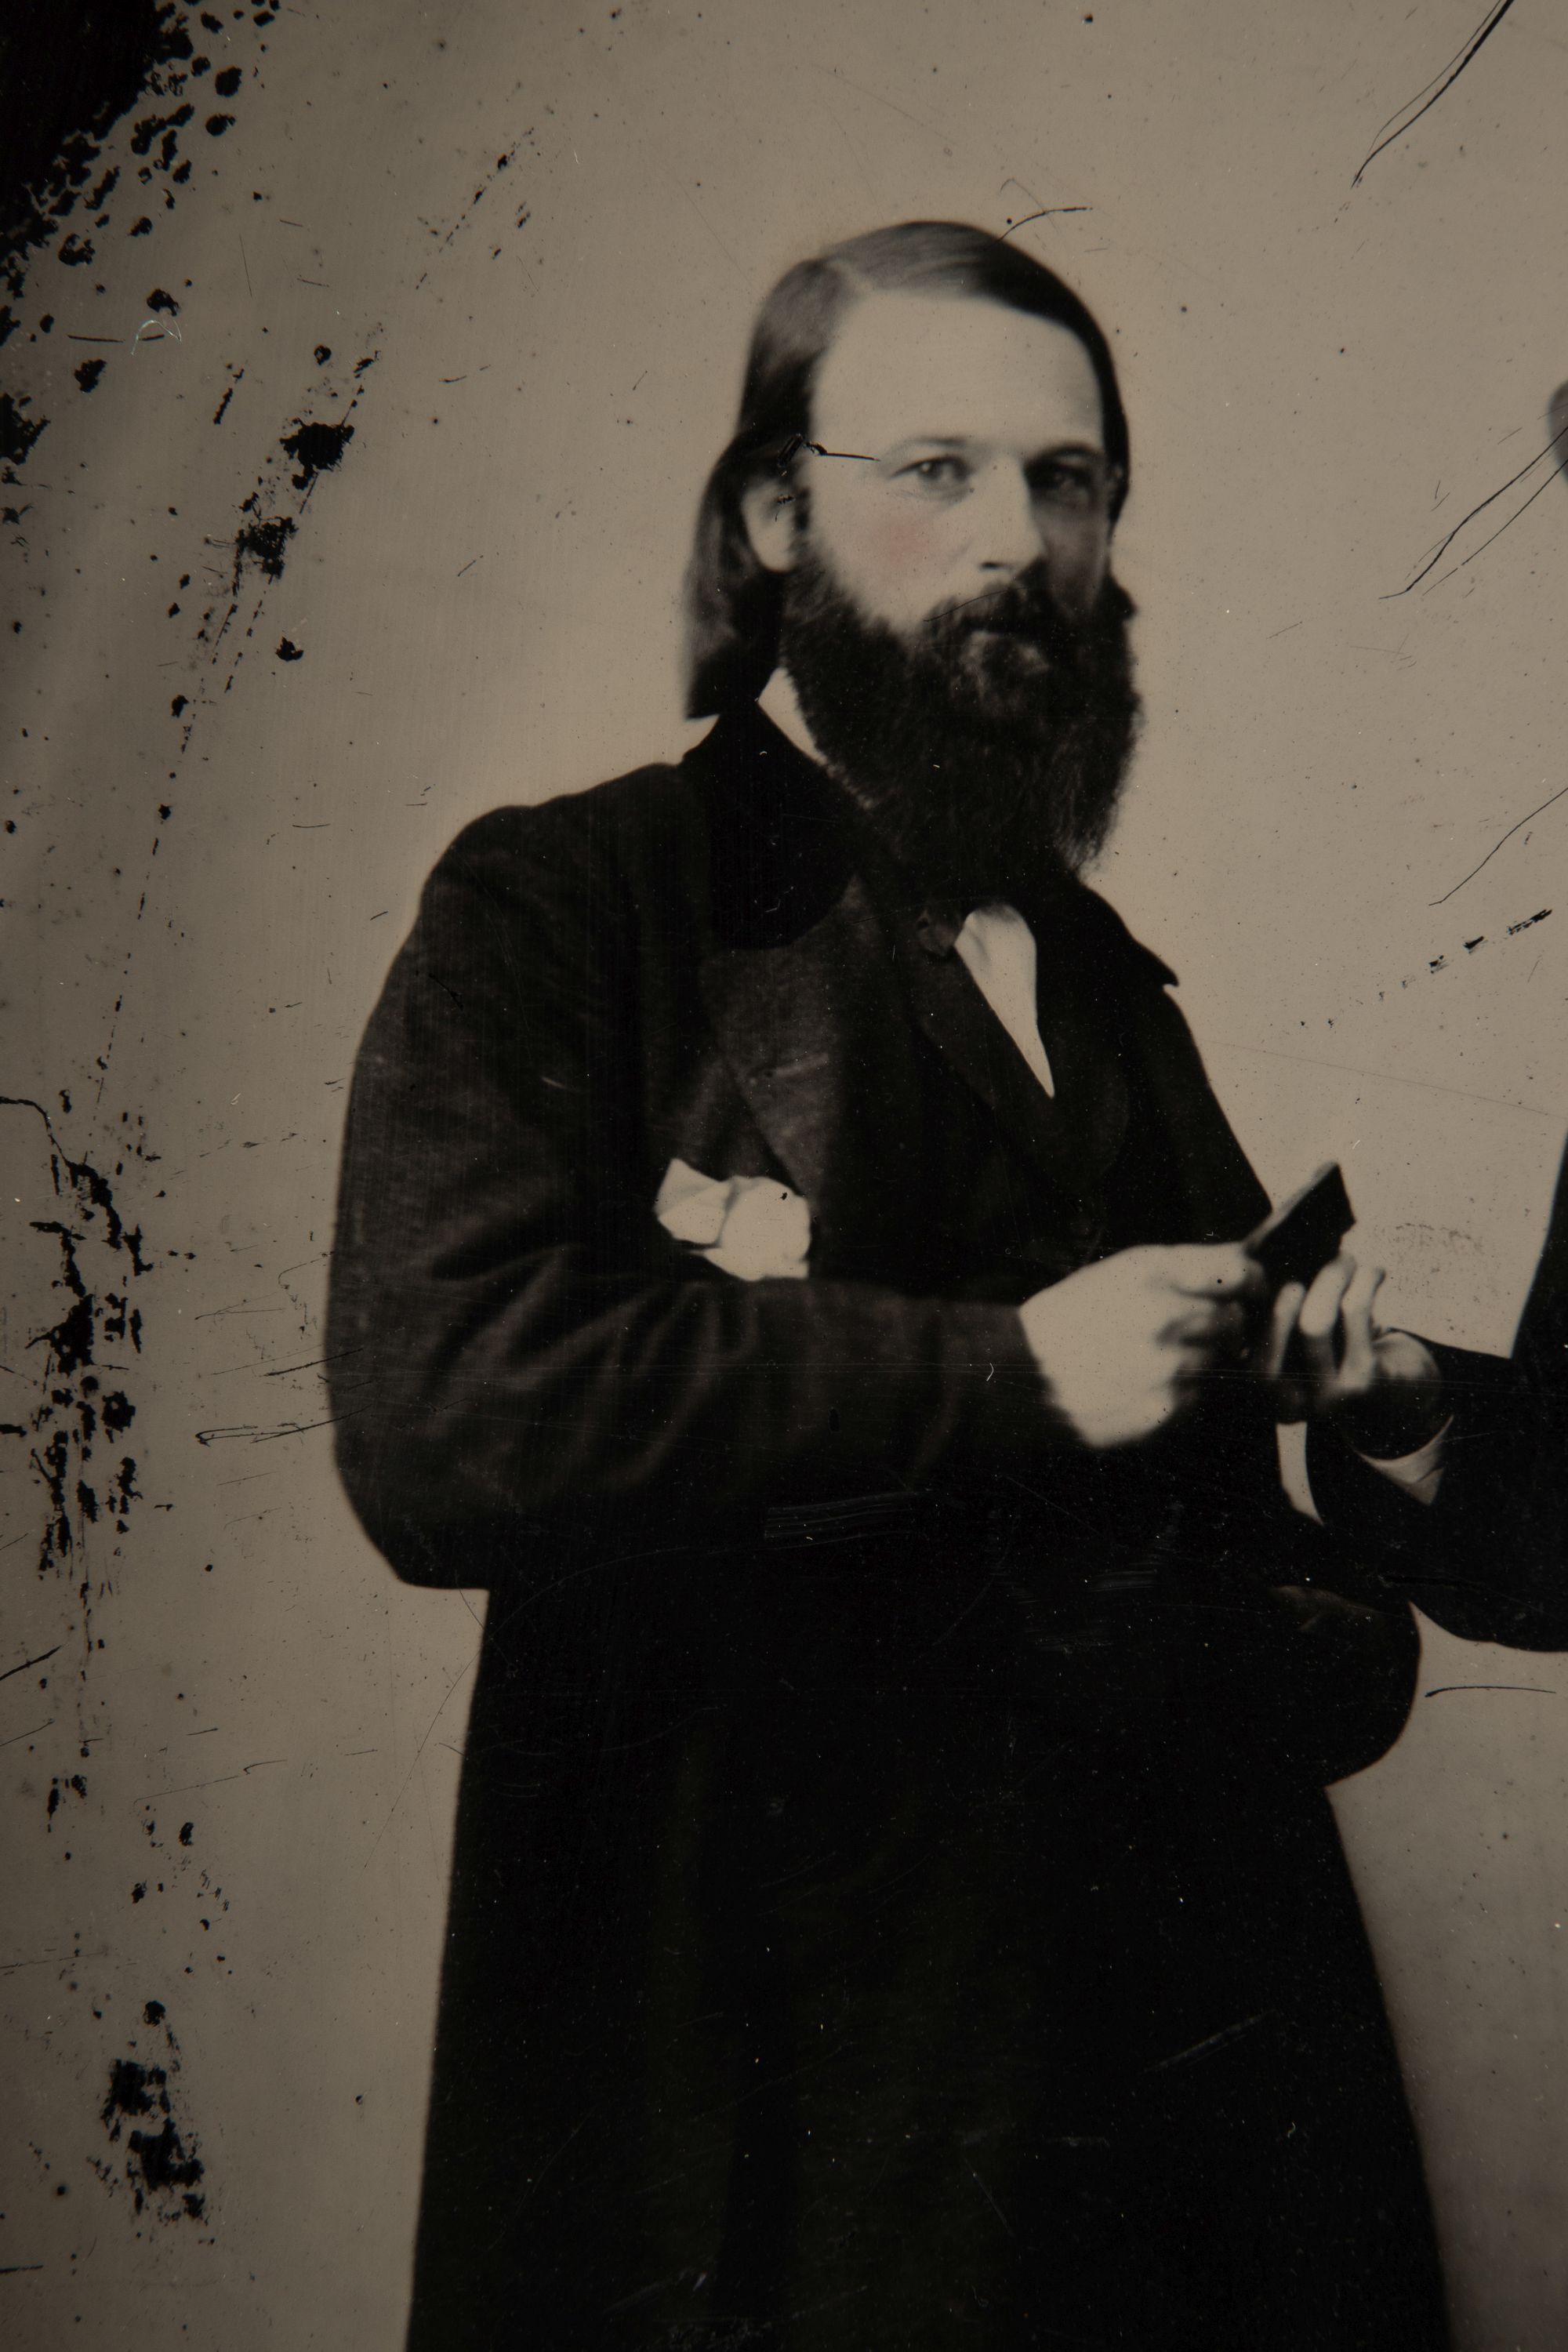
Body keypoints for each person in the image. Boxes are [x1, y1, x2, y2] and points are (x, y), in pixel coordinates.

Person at [328, 223, 1508, 2350]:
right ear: (775, 516)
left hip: (1187, 2104)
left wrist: (1355, 1414)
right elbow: (451, 1408)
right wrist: (1009, 1381)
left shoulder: (1103, 991)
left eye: (1071, 485)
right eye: (940, 472)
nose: (1022, 543)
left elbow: (1259, 1585)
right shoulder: (570, 904)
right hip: (764, 2106)